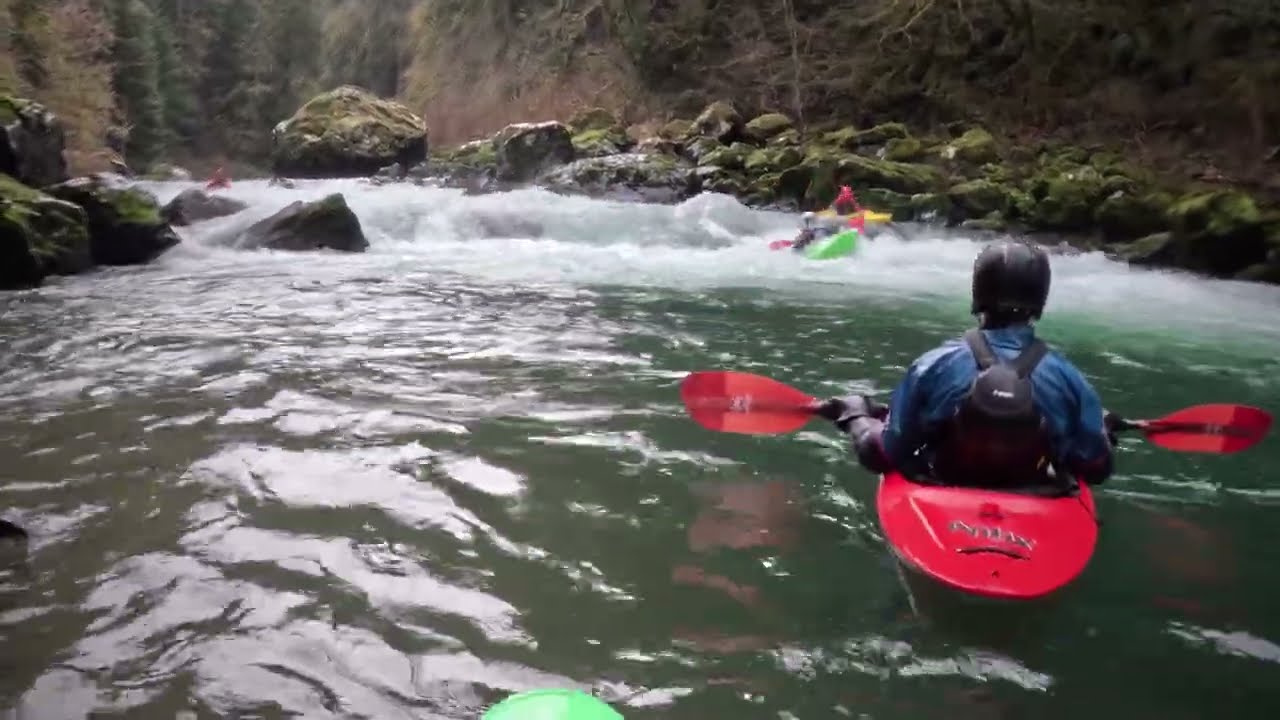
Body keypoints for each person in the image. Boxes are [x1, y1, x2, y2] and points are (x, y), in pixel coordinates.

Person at [815, 240, 1116, 489]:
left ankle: (852, 409)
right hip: (1031, 491)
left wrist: (859, 419)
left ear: (979, 292)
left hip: (945, 483)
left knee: (870, 440)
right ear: (1040, 298)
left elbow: (886, 454)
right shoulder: (1069, 378)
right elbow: (1094, 467)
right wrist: (1101, 430)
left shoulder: (934, 365)